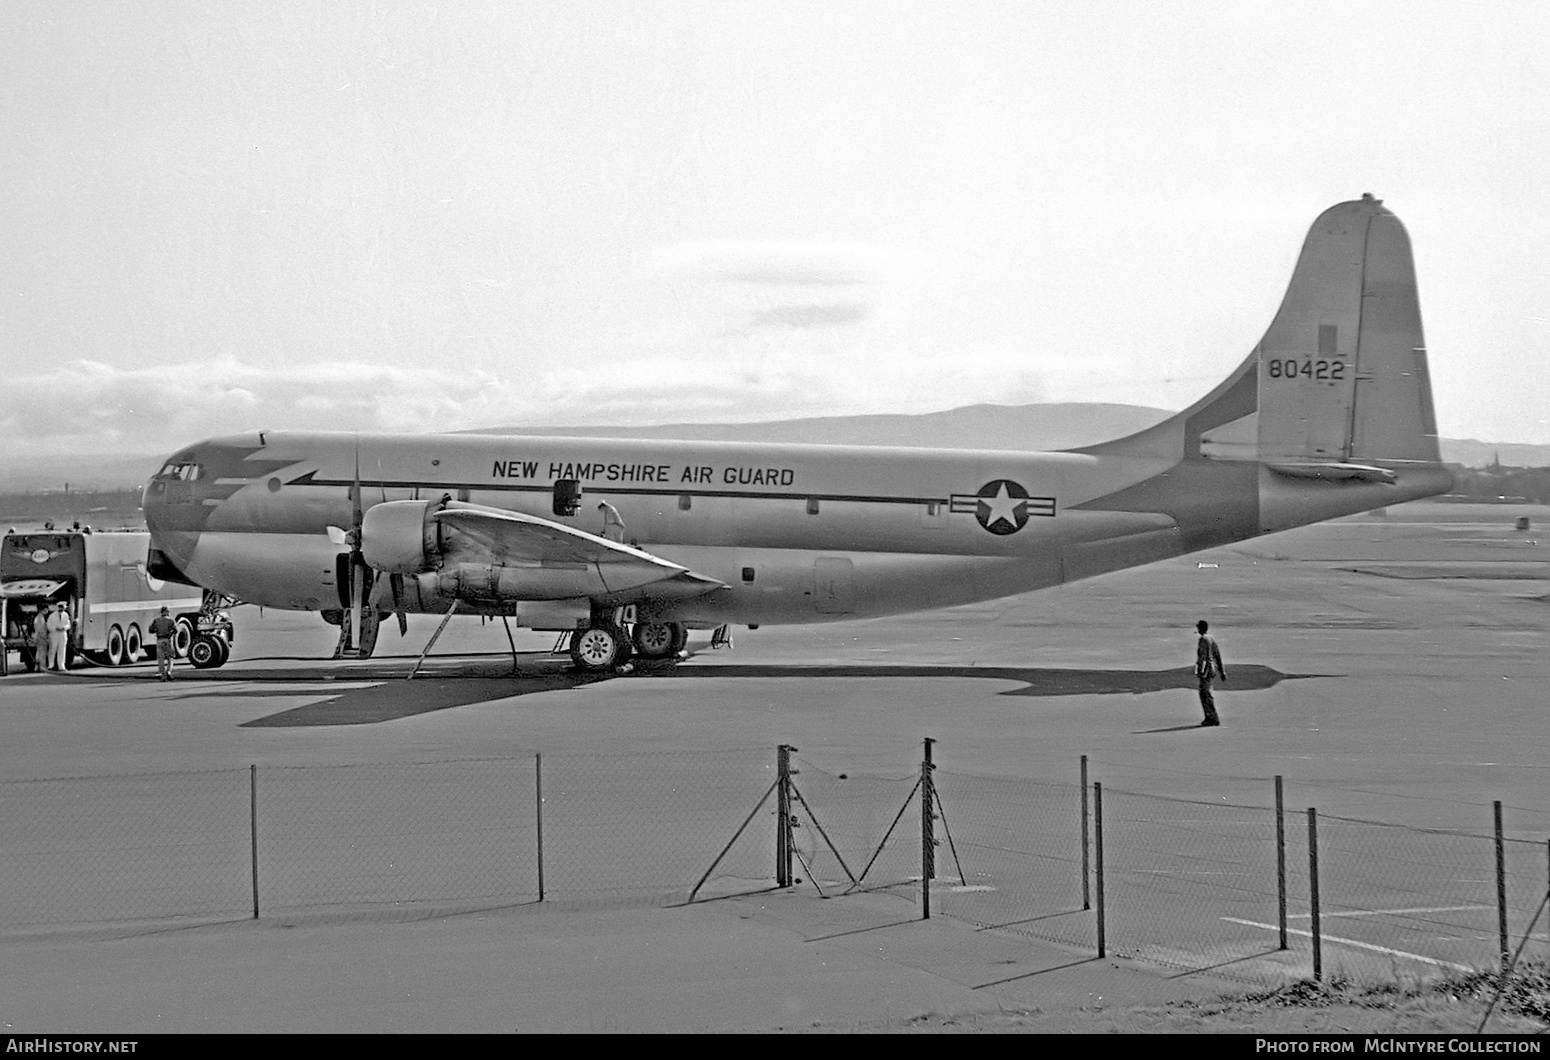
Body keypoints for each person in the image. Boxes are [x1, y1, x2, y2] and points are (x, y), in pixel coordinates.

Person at [1194, 619, 1226, 726]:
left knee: (1205, 693)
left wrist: (1200, 670)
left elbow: (1202, 657)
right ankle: (1211, 716)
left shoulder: (1203, 639)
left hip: (1206, 669)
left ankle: (1211, 717)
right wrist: (1222, 671)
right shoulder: (1211, 638)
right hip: (1212, 669)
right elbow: (1217, 655)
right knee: (1207, 693)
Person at [150, 607, 178, 681]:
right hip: (168, 640)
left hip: (159, 639)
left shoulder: (156, 620)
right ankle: (168, 671)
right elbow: (176, 630)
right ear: (166, 612)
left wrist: (157, 630)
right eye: (168, 611)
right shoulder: (171, 620)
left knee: (161, 658)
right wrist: (170, 634)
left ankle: (162, 674)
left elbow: (151, 630)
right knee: (170, 657)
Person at [46, 602, 73, 671]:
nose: (61, 609)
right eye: (60, 607)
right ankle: (51, 665)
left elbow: (68, 624)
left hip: (62, 634)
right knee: (53, 649)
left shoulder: (66, 615)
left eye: (62, 607)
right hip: (54, 634)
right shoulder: (52, 616)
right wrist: (55, 628)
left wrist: (64, 628)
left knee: (62, 650)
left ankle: (61, 665)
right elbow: (48, 625)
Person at [31, 608, 49, 672]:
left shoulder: (38, 617)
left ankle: (36, 667)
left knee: (38, 653)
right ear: (42, 610)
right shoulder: (40, 618)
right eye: (46, 610)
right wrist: (45, 637)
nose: (47, 611)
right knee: (42, 653)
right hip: (41, 638)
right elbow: (41, 629)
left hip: (38, 637)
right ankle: (42, 667)